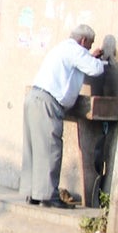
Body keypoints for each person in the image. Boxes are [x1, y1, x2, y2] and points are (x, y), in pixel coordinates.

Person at [22, 24, 105, 209]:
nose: (89, 48)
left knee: (35, 149)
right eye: (89, 45)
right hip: (48, 102)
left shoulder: (62, 48)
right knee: (51, 149)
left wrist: (88, 58)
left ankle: (33, 194)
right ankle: (49, 196)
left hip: (34, 97)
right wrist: (97, 60)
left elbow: (79, 65)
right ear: (83, 40)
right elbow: (96, 70)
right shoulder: (76, 50)